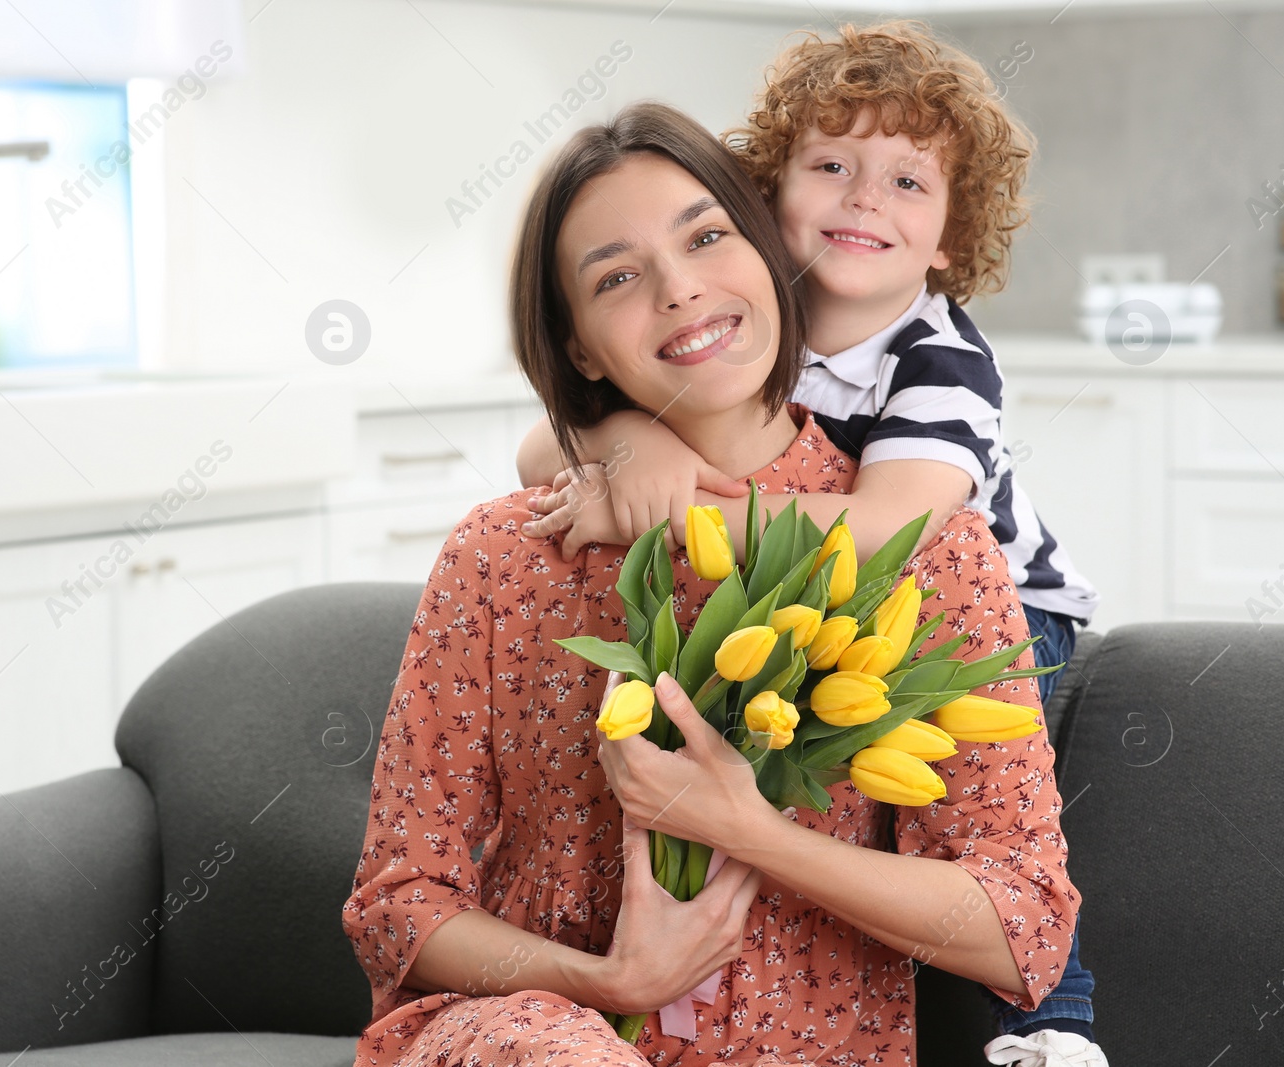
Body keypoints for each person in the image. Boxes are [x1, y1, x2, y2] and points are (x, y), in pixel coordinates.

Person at [342, 100, 1077, 1067]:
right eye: (617, 277)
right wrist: (609, 985)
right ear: (578, 347)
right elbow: (399, 909)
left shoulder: (924, 550)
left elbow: (1021, 929)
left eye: (706, 237)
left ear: (771, 255)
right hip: (532, 1038)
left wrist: (746, 829)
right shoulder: (501, 555)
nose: (681, 290)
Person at [514, 23, 1102, 1064]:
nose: (863, 198)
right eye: (830, 165)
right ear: (765, 201)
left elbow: (885, 530)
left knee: (998, 788)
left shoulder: (939, 359)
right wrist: (622, 439)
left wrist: (673, 516)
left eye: (907, 184)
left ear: (951, 242)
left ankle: (1048, 1020)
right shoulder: (739, 322)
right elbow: (535, 449)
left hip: (1005, 602)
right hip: (823, 600)